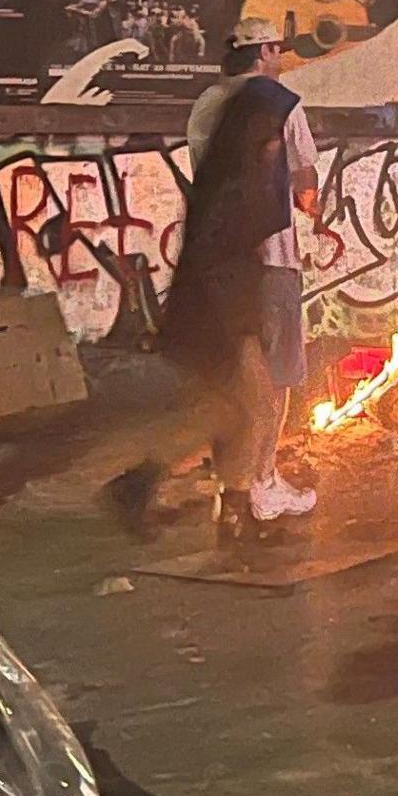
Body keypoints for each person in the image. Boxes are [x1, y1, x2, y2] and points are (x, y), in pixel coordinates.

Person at [107, 29, 318, 537]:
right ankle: (256, 488)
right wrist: (307, 205)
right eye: (276, 51)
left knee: (229, 396)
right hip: (258, 269)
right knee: (266, 392)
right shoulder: (275, 110)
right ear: (266, 52)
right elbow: (306, 186)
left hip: (211, 271)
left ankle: (231, 501)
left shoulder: (207, 107)